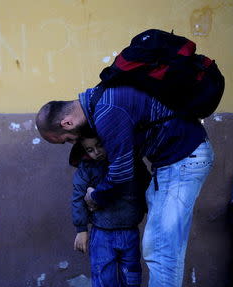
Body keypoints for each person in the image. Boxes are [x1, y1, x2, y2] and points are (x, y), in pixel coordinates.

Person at [36, 85, 214, 287]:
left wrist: (95, 198)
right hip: (173, 162)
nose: (72, 142)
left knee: (161, 250)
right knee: (158, 247)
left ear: (67, 122)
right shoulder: (99, 100)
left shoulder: (106, 112)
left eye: (67, 139)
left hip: (182, 160)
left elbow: (121, 172)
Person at [71, 137, 150, 287]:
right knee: (103, 278)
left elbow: (147, 188)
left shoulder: (131, 162)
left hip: (130, 232)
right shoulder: (87, 167)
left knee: (131, 279)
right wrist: (81, 230)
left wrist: (153, 215)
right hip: (102, 234)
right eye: (90, 150)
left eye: (100, 145)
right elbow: (78, 196)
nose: (96, 152)